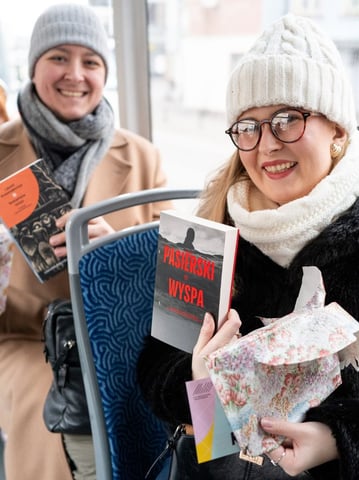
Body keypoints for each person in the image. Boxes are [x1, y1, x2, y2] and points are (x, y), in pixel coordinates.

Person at [137, 13, 359, 480]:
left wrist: (336, 441)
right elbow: (154, 371)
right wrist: (200, 382)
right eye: (248, 126)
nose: (266, 145)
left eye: (287, 120)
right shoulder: (213, 229)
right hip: (223, 464)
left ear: (338, 132)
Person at [0, 4, 170, 480]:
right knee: (49, 417)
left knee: (159, 408)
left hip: (119, 337)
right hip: (27, 339)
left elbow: (175, 270)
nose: (75, 74)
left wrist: (118, 250)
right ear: (33, 66)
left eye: (91, 62)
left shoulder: (141, 156)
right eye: (58, 57)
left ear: (104, 73)